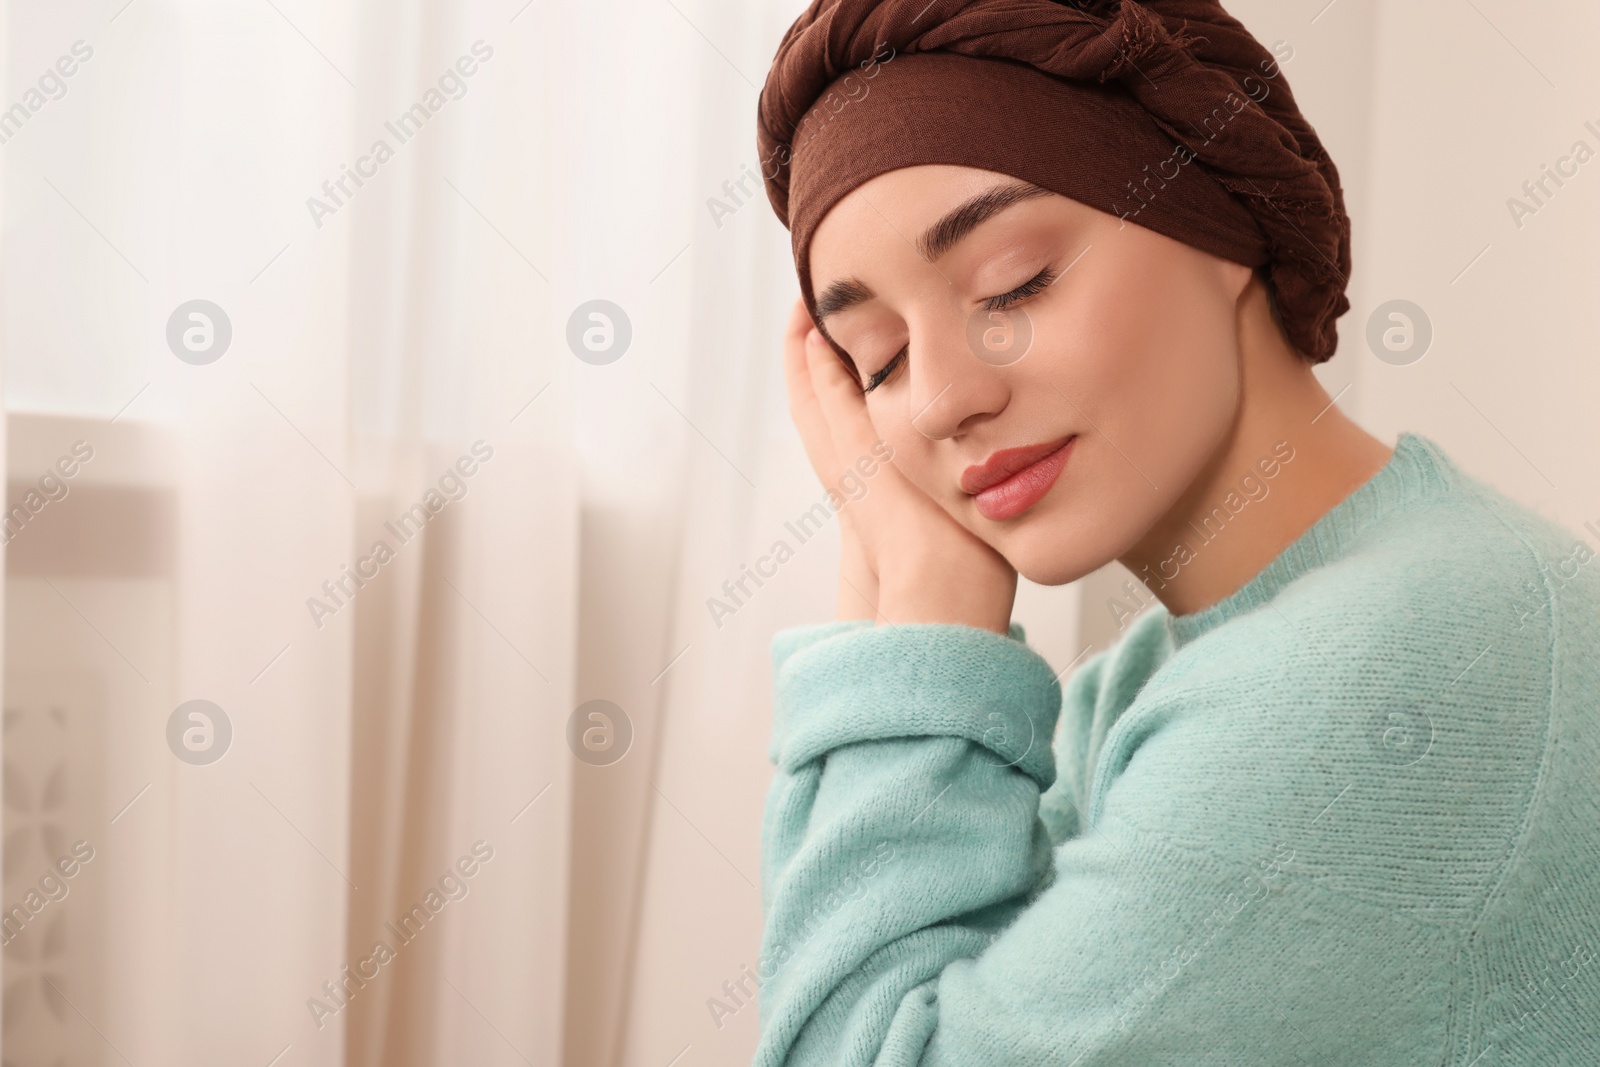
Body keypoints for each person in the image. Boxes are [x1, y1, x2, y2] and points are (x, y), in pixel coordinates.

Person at [750, 1, 1600, 1064]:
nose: (935, 402)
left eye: (1013, 285)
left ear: (1215, 212)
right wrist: (895, 594)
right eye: (876, 358)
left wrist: (919, 604)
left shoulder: (1386, 670)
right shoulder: (1152, 679)